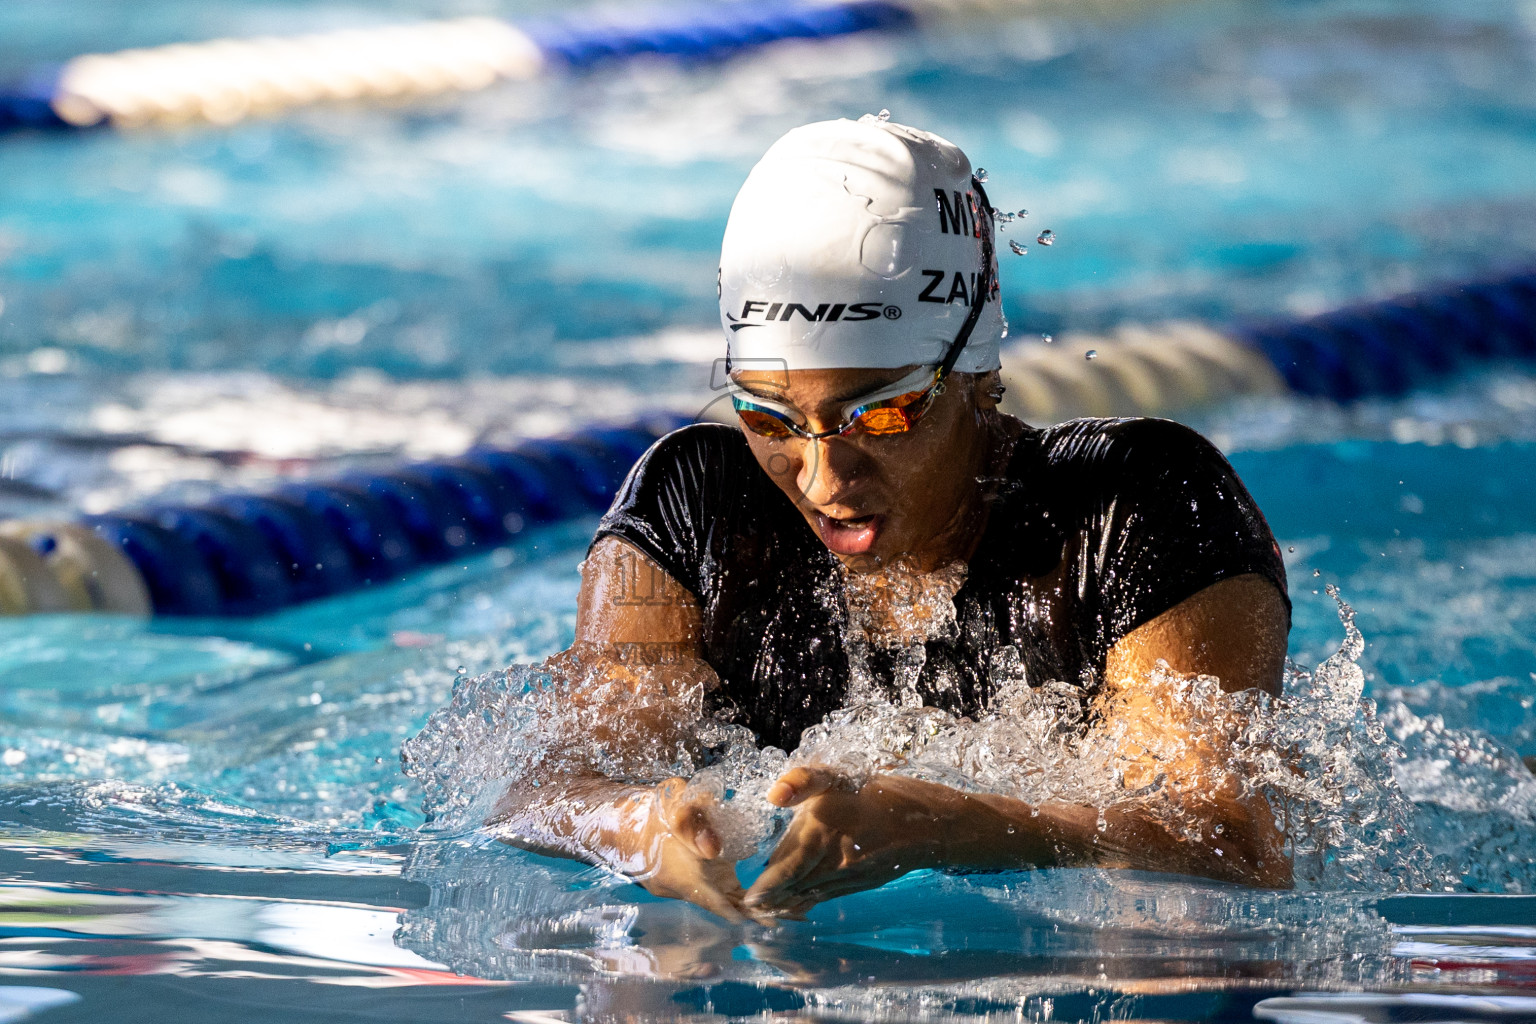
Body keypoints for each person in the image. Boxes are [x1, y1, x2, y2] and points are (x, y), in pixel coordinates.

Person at [491, 116, 1293, 924]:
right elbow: (543, 788)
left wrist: (957, 825)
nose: (822, 476)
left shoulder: (1138, 504)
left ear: (976, 374)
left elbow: (1235, 848)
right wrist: (633, 826)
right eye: (767, 419)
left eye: (880, 416)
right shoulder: (694, 506)